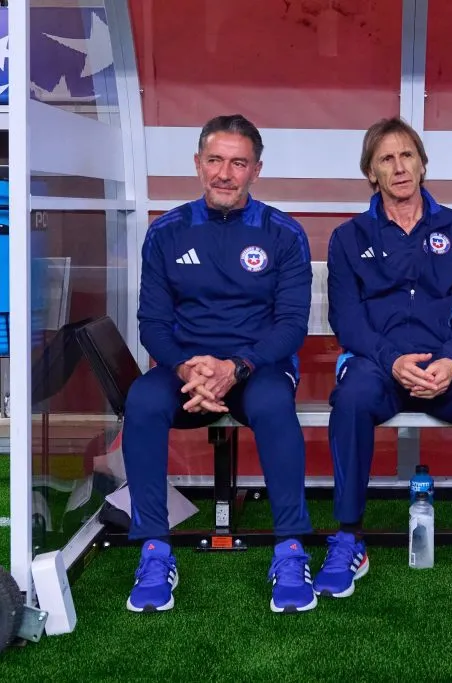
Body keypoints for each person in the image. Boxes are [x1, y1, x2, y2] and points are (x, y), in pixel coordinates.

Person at [322, 117, 452, 597]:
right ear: (371, 174)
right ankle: (348, 536)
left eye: (407, 156)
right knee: (351, 399)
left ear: (422, 163)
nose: (399, 168)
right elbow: (347, 320)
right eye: (386, 159)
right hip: (379, 366)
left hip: (448, 367)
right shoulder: (349, 237)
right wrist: (393, 360)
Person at [123, 114, 315, 613]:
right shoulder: (166, 232)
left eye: (237, 163)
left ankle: (291, 548)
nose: (224, 173)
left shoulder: (284, 233)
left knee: (274, 402)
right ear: (197, 164)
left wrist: (237, 367)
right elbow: (153, 323)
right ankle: (153, 548)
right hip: (187, 369)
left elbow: (292, 325)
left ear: (256, 170)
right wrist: (188, 369)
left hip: (258, 368)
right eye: (214, 160)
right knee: (142, 400)